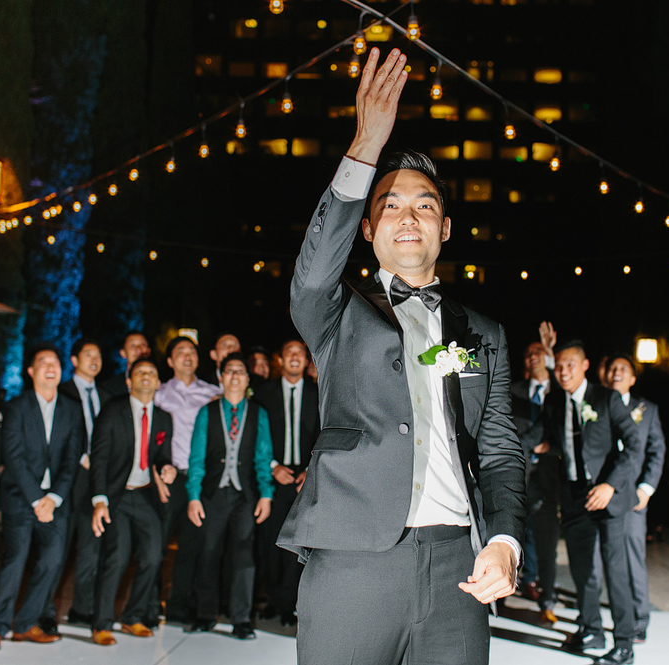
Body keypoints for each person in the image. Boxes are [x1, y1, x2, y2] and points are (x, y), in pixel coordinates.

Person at [279, 47, 525, 665]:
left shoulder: (483, 333)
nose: (406, 214)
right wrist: (365, 145)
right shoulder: (336, 313)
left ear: (445, 227)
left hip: (456, 568)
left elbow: (499, 451)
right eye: (388, 204)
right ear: (366, 229)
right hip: (352, 564)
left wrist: (504, 542)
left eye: (424, 204)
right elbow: (310, 278)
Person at [535, 341, 643, 663]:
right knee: (583, 570)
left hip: (608, 498)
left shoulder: (605, 398)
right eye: (559, 366)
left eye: (570, 365)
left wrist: (610, 484)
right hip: (574, 497)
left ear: (584, 366)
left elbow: (634, 445)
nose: (563, 371)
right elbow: (544, 436)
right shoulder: (555, 400)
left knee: (615, 571)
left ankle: (624, 643)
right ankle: (591, 629)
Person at [0, 346, 87, 650]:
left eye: (54, 362)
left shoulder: (72, 409)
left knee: (53, 560)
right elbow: (14, 458)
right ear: (31, 372)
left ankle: (26, 623)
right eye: (43, 363)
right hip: (20, 497)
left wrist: (53, 498)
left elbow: (71, 458)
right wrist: (35, 500)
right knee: (15, 559)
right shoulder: (16, 408)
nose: (50, 367)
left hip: (56, 501)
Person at [183, 352, 274, 639]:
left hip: (245, 496)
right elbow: (195, 458)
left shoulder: (258, 413)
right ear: (221, 377)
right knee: (208, 552)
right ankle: (205, 614)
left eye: (240, 371)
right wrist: (194, 496)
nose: (235, 376)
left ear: (248, 379)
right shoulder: (206, 413)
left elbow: (263, 457)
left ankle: (241, 619)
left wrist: (266, 494)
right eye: (229, 371)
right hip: (212, 494)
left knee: (244, 557)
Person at [85, 358, 176, 645]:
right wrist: (100, 500)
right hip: (117, 495)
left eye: (151, 372)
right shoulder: (112, 412)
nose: (146, 376)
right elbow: (98, 459)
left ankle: (132, 616)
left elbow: (161, 455)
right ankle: (101, 624)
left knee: (152, 556)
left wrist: (167, 468)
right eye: (140, 372)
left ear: (159, 382)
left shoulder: (163, 417)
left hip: (145, 494)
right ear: (129, 381)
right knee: (117, 557)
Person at [154, 335, 221, 627]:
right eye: (180, 351)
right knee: (155, 545)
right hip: (169, 479)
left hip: (200, 481)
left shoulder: (213, 393)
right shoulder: (158, 393)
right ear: (170, 361)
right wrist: (158, 471)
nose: (187, 355)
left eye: (192, 350)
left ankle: (179, 608)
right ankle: (148, 605)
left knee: (191, 547)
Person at [253, 340, 317, 626]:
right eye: (289, 352)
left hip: (306, 479)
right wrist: (272, 466)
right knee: (271, 543)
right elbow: (253, 435)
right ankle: (273, 601)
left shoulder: (318, 393)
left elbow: (326, 433)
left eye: (300, 353)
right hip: (273, 476)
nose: (294, 357)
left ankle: (291, 603)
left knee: (299, 545)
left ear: (306, 360)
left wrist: (310, 470)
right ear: (280, 359)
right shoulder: (264, 394)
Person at [608, 356, 665, 643]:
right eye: (613, 368)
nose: (617, 373)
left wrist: (646, 488)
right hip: (601, 495)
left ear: (632, 378)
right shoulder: (597, 404)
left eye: (623, 369)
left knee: (632, 559)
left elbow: (657, 451)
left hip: (632, 497)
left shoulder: (647, 410)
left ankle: (640, 619)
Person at [58, 339, 109, 629]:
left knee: (92, 546)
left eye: (98, 354)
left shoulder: (105, 394)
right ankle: (43, 612)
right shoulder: (63, 392)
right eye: (88, 354)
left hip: (96, 481)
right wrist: (79, 456)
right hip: (69, 478)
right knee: (59, 546)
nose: (95, 359)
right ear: (74, 360)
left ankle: (82, 608)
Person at [511, 335, 562, 624]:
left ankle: (548, 600)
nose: (533, 356)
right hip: (518, 474)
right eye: (529, 352)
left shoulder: (557, 393)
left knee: (546, 543)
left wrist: (549, 447)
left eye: (539, 352)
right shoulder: (513, 390)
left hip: (547, 478)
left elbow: (568, 436)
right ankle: (505, 591)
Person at [104, 332, 152, 405]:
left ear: (149, 351)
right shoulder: (109, 389)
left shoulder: (161, 386)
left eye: (142, 344)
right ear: (123, 353)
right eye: (132, 345)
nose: (139, 349)